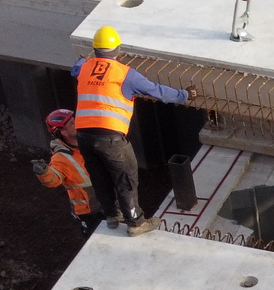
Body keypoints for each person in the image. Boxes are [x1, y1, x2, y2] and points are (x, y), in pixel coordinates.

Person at [70, 26, 190, 236]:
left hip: (84, 137)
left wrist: (82, 60)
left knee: (100, 177)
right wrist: (184, 95)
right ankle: (135, 223)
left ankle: (111, 215)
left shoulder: (85, 67)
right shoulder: (126, 74)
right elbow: (157, 91)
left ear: (95, 49)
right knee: (125, 177)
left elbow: (76, 68)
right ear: (118, 49)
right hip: (110, 138)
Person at [31, 109, 102, 236]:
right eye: (71, 123)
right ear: (63, 132)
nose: (77, 123)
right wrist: (43, 172)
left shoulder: (87, 143)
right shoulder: (61, 158)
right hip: (89, 211)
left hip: (106, 202)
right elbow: (53, 180)